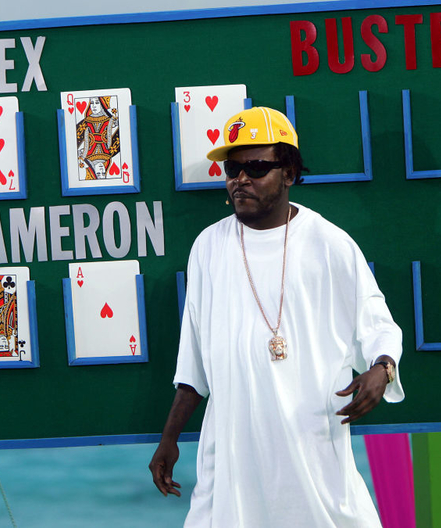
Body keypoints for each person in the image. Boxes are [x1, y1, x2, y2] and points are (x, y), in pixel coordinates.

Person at [149, 106, 404, 527]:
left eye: (256, 167)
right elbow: (194, 364)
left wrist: (382, 368)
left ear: (288, 171)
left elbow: (378, 324)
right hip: (231, 463)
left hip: (312, 455)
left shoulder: (329, 244)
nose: (240, 179)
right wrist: (169, 439)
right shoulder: (207, 248)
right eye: (232, 169)